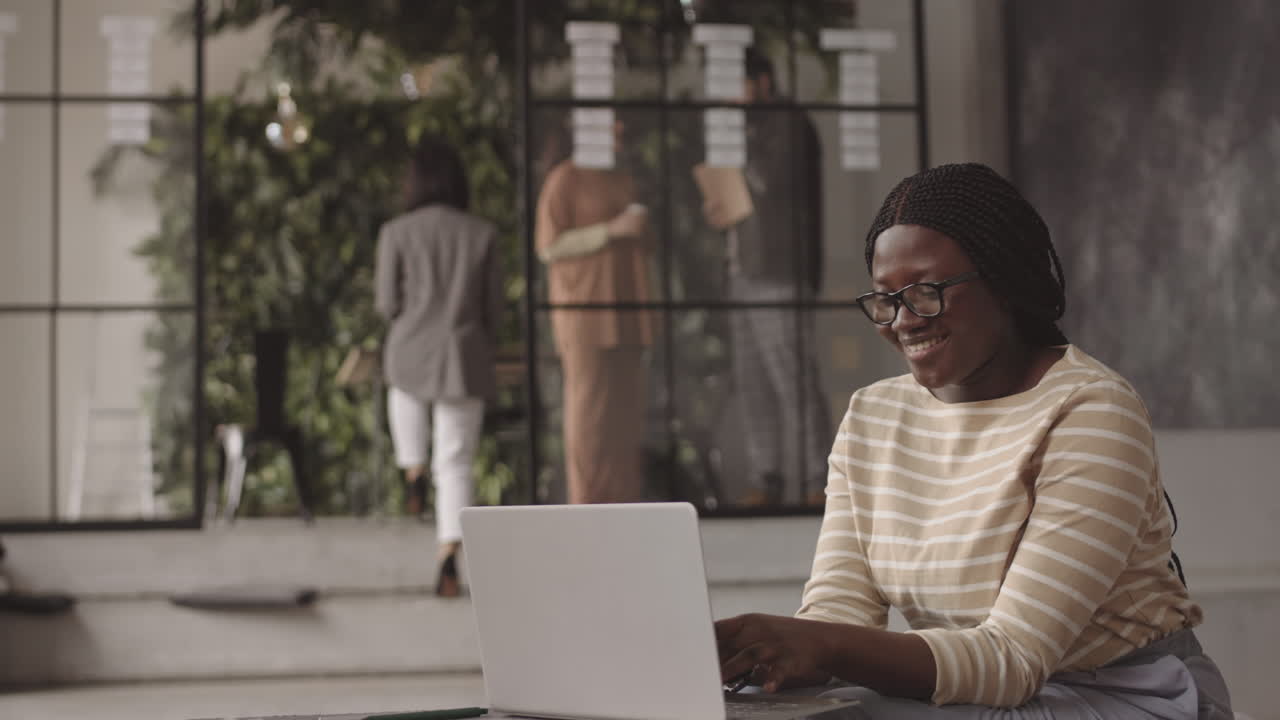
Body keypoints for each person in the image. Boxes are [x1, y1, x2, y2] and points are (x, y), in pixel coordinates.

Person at [714, 163, 1233, 719]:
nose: (905, 321)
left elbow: (1013, 657)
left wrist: (825, 647)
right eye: (886, 300)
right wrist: (772, 657)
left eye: (927, 292)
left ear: (1004, 281)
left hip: (1122, 692)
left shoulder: (1092, 412)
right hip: (975, 689)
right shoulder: (873, 416)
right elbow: (840, 615)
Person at [702, 47, 830, 507]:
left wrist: (735, 172)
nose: (729, 98)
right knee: (752, 379)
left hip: (778, 271)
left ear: (762, 82)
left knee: (792, 378)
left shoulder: (787, 124)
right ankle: (766, 474)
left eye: (735, 85)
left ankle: (820, 478)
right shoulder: (749, 128)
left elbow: (771, 184)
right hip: (744, 270)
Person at [375, 135, 502, 597]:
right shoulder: (483, 234)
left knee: (404, 403)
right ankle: (448, 556)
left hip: (409, 349)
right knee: (457, 460)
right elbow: (494, 310)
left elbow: (387, 303)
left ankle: (412, 470)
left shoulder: (395, 232)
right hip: (462, 355)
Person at [535, 120, 655, 504]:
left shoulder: (622, 178)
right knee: (589, 415)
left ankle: (622, 503)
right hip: (584, 311)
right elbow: (548, 246)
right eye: (612, 123)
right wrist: (612, 230)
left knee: (625, 415)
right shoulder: (564, 179)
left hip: (626, 310)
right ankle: (584, 504)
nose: (621, 129)